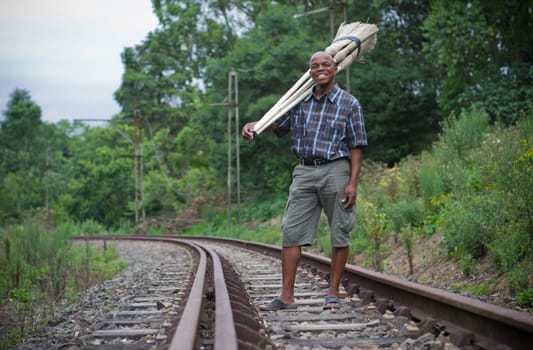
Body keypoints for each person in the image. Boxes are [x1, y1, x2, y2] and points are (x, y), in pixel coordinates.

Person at [242, 51, 367, 311]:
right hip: (304, 171)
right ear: (309, 71)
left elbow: (356, 146)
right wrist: (256, 124)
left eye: (326, 65)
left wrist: (353, 182)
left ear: (336, 68)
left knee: (339, 231)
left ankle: (333, 293)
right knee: (290, 232)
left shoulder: (349, 103)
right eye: (315, 66)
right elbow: (278, 124)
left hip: (336, 169)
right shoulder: (299, 101)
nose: (320, 69)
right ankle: (286, 297)